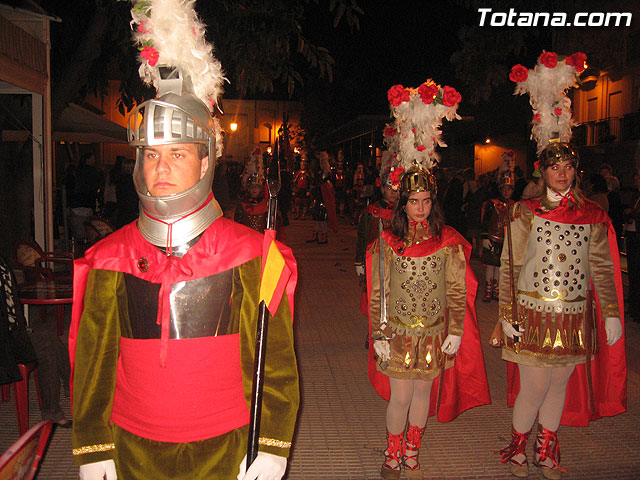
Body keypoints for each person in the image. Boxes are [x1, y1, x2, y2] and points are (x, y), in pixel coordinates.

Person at [69, 4, 299, 479]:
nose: (163, 166)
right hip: (135, 446)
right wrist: (93, 446)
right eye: (151, 154)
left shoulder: (253, 255)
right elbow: (94, 365)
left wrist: (273, 444)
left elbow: (273, 364)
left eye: (178, 152)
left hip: (226, 443)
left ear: (205, 161)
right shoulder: (108, 258)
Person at [498, 53, 625, 479]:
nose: (562, 173)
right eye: (555, 167)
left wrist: (609, 312)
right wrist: (506, 314)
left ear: (575, 170)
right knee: (534, 385)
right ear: (543, 170)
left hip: (572, 313)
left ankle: (546, 447)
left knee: (559, 385)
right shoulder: (525, 211)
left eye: (568, 166)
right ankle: (517, 446)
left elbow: (602, 268)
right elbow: (510, 266)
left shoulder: (592, 213)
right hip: (532, 311)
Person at [368, 81, 489, 480]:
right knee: (400, 394)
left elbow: (456, 289)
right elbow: (378, 293)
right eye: (412, 202)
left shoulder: (448, 241)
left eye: (425, 202)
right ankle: (392, 451)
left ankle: (413, 450)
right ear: (402, 204)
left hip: (434, 332)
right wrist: (378, 334)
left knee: (424, 393)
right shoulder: (387, 241)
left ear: (433, 203)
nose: (419, 209)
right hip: (399, 332)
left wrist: (456, 330)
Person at [355, 168, 399, 348]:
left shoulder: (405, 210)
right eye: (390, 188)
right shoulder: (372, 211)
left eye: (397, 189)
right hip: (374, 261)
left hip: (397, 262)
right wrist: (359, 262)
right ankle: (372, 330)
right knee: (374, 298)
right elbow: (362, 237)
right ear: (383, 189)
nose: (393, 193)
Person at [480, 175, 514, 302]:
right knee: (490, 265)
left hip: (505, 240)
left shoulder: (514, 205)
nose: (506, 191)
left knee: (500, 266)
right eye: (503, 189)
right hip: (492, 238)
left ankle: (496, 290)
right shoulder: (493, 203)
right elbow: (485, 221)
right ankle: (488, 290)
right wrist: (485, 237)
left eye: (509, 189)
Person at [623, 168, 640, 323]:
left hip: (637, 236)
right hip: (632, 235)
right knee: (633, 272)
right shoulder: (636, 195)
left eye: (638, 176)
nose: (636, 178)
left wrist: (633, 213)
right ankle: (634, 305)